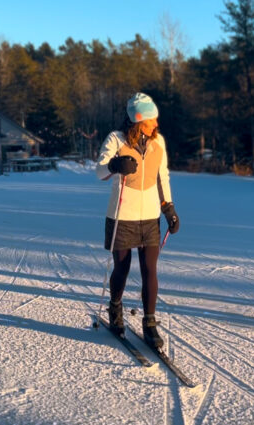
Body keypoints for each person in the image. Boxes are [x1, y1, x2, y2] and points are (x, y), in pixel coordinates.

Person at [95, 92, 180, 349]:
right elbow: (99, 170)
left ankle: (150, 322)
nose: (156, 123)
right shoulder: (116, 139)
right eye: (152, 119)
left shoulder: (159, 142)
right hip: (123, 216)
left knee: (149, 270)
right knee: (121, 268)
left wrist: (169, 208)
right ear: (139, 120)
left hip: (150, 217)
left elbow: (162, 176)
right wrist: (115, 165)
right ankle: (115, 308)